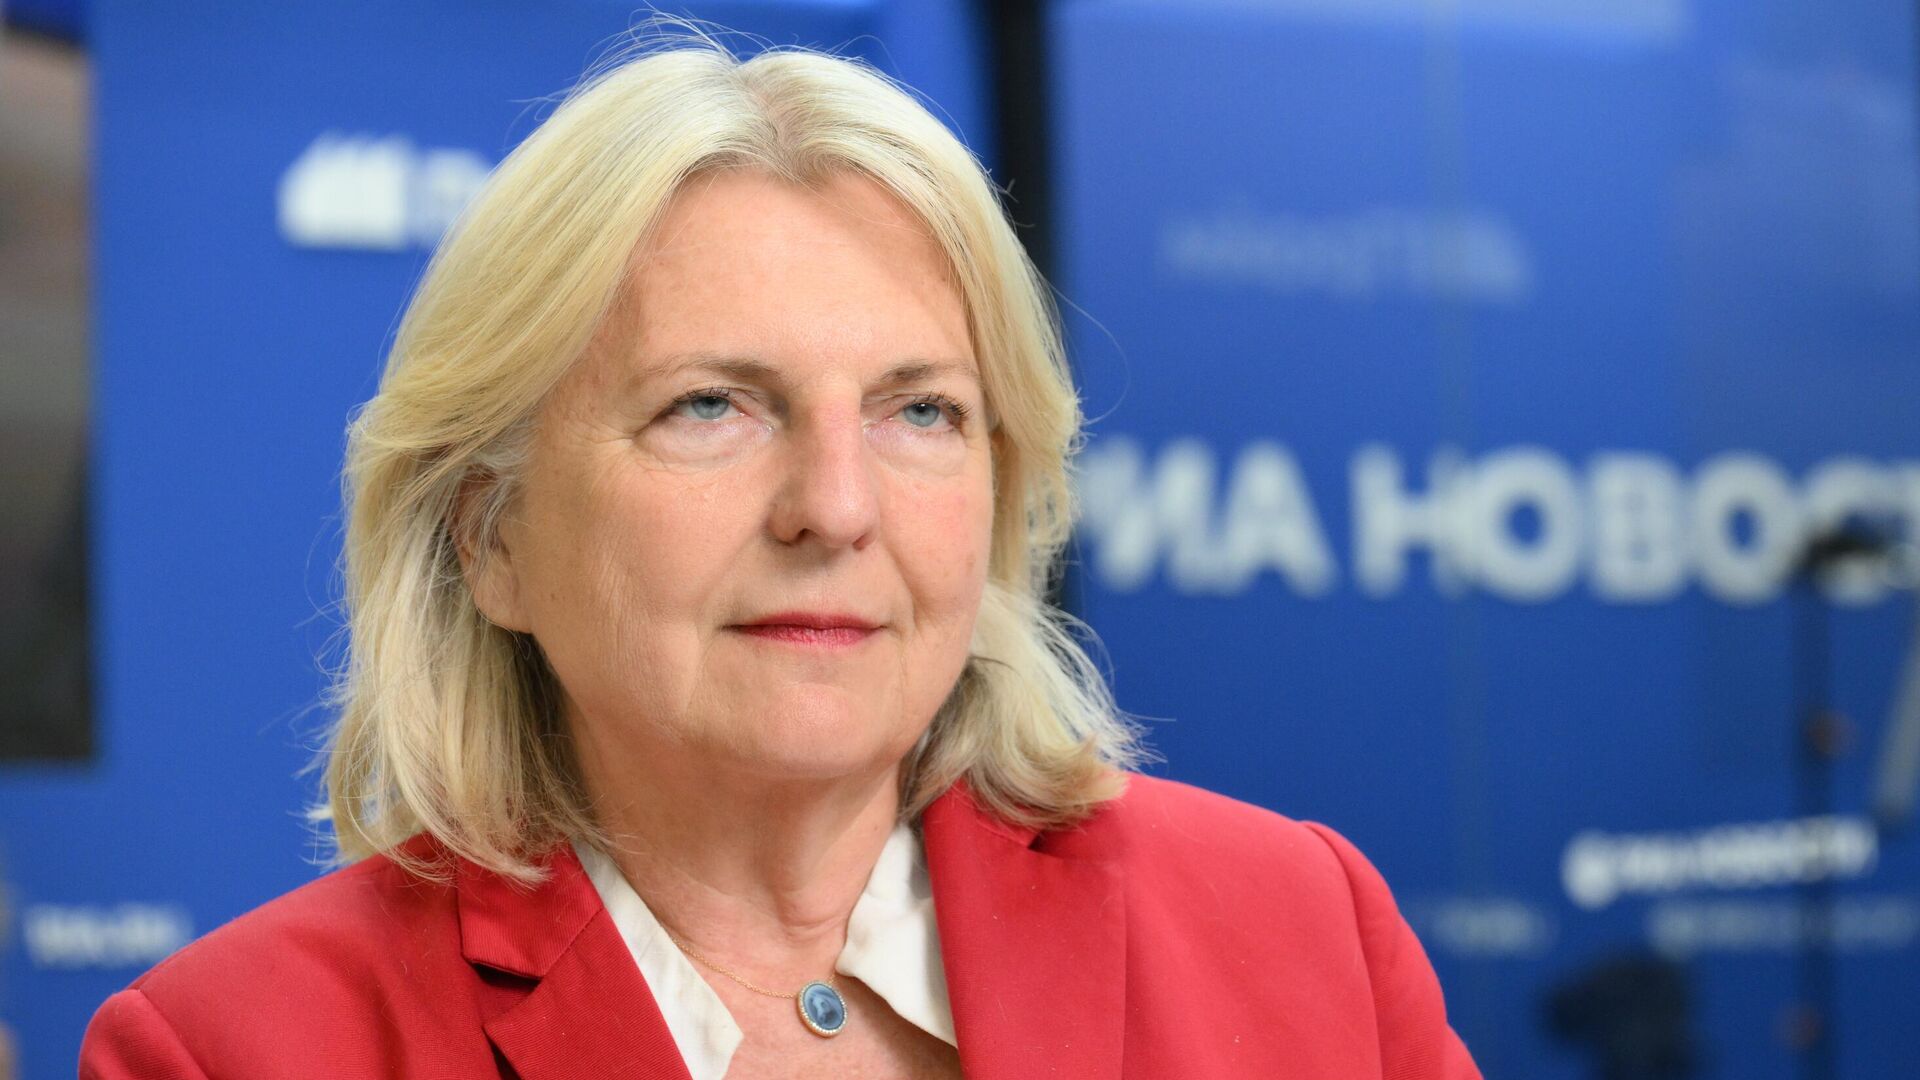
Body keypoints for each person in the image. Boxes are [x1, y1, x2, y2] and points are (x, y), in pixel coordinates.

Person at [79, 32, 1481, 1080]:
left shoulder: (1303, 931)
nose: (837, 508)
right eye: (712, 407)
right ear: (492, 536)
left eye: (920, 412)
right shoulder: (230, 1050)